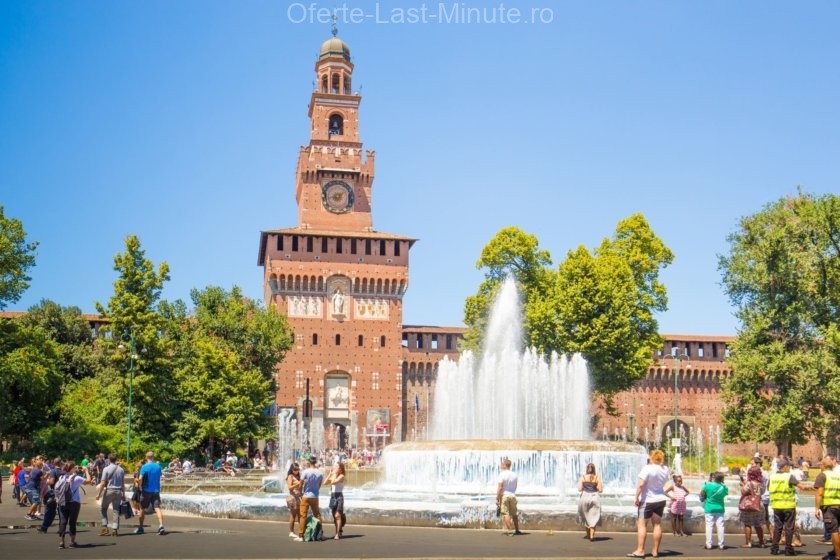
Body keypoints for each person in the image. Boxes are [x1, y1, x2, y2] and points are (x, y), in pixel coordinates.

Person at [626, 449, 669, 559]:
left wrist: (636, 497)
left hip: (648, 500)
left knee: (642, 524)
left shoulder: (648, 468)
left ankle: (640, 550)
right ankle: (655, 551)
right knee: (657, 525)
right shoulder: (665, 469)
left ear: (652, 457)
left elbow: (641, 484)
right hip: (660, 499)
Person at [769, 458, 810, 556]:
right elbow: (802, 487)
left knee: (778, 527)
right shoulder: (789, 476)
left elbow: (769, 488)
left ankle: (774, 549)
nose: (789, 468)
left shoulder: (772, 477)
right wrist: (812, 487)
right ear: (785, 467)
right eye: (789, 466)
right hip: (788, 506)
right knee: (789, 528)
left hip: (776, 506)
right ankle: (788, 549)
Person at [56, 461, 91, 549]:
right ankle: (72, 542)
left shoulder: (61, 477)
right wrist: (86, 471)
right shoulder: (77, 478)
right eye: (74, 467)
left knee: (62, 522)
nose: (75, 468)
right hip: (74, 502)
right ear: (71, 469)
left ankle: (61, 543)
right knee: (72, 522)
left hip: (62, 502)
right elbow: (88, 481)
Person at [813, 456, 840, 559]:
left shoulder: (822, 475)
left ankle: (838, 556)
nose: (820, 466)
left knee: (834, 531)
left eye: (820, 465)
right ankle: (835, 551)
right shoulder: (838, 475)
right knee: (837, 531)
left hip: (829, 506)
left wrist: (816, 508)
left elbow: (819, 493)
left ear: (824, 466)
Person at [295, 454, 324, 542]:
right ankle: (320, 534)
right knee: (317, 515)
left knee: (303, 515)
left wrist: (299, 491)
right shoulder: (320, 473)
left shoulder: (305, 472)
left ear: (309, 462)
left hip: (306, 496)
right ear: (315, 462)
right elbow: (319, 485)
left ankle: (301, 536)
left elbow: (301, 484)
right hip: (315, 496)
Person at [136, 451, 166, 535]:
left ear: (146, 457)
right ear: (153, 457)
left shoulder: (144, 467)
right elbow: (160, 476)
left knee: (142, 508)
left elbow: (140, 478)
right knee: (157, 508)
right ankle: (161, 525)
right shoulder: (158, 466)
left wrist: (140, 486)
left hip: (146, 490)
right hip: (156, 490)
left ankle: (141, 527)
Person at [96, 453, 125, 537]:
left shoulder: (106, 469)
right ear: (116, 460)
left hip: (109, 490)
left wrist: (98, 494)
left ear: (108, 460)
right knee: (116, 510)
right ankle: (115, 529)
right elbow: (123, 483)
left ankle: (105, 527)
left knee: (103, 508)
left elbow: (102, 483)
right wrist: (124, 494)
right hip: (118, 491)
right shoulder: (121, 470)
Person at [738, 462, 766, 548]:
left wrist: (742, 485)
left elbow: (743, 492)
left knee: (747, 524)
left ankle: (748, 543)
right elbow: (762, 492)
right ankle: (761, 542)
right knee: (758, 524)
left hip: (749, 505)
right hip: (758, 505)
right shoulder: (761, 484)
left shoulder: (749, 483)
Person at [701, 471, 728, 550]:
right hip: (720, 508)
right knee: (720, 526)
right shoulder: (724, 487)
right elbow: (725, 494)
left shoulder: (707, 485)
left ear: (714, 478)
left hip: (709, 508)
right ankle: (721, 545)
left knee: (709, 526)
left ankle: (709, 545)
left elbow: (702, 494)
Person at [496, 458, 522, 536]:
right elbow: (516, 486)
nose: (501, 466)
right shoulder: (515, 475)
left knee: (505, 513)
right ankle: (517, 530)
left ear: (505, 465)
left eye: (502, 464)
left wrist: (497, 497)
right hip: (513, 495)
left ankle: (510, 531)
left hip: (505, 495)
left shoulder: (502, 474)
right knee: (514, 513)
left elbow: (500, 487)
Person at [577, 462, 602, 541]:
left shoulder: (583, 478)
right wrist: (595, 487)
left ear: (587, 469)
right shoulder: (597, 478)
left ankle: (588, 535)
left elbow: (579, 489)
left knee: (586, 516)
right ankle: (591, 535)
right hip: (594, 497)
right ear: (594, 469)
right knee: (594, 517)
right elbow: (601, 490)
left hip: (585, 497)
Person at [324, 460, 347, 539]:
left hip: (339, 496)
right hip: (333, 496)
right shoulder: (334, 475)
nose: (334, 467)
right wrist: (330, 474)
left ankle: (337, 534)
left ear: (340, 468)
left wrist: (334, 474)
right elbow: (325, 483)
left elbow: (333, 482)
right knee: (335, 516)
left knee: (337, 515)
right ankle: (339, 530)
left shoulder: (342, 476)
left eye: (336, 466)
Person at [24, 455, 45, 521]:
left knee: (34, 502)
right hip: (33, 488)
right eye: (41, 465)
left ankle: (33, 515)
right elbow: (43, 479)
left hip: (29, 487)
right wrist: (47, 474)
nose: (42, 466)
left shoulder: (33, 469)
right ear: (39, 465)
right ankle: (28, 514)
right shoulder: (39, 471)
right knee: (37, 501)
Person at [285, 462, 303, 538]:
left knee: (300, 515)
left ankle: (300, 531)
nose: (296, 470)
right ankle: (291, 531)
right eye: (295, 469)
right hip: (293, 497)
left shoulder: (299, 476)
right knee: (293, 515)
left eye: (297, 469)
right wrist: (298, 484)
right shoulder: (290, 476)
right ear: (291, 469)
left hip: (299, 497)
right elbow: (289, 487)